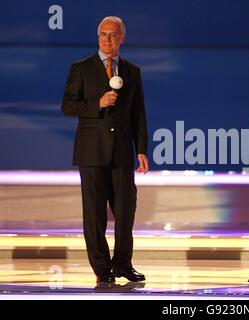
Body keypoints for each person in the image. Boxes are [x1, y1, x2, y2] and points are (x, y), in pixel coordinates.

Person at [61, 16, 149, 284]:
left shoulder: (132, 71)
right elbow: (68, 106)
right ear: (98, 37)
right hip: (91, 152)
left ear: (122, 37)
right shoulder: (81, 68)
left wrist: (142, 150)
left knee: (125, 211)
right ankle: (102, 268)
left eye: (112, 35)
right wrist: (97, 103)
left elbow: (138, 114)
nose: (107, 40)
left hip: (121, 152)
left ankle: (123, 263)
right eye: (102, 34)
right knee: (95, 214)